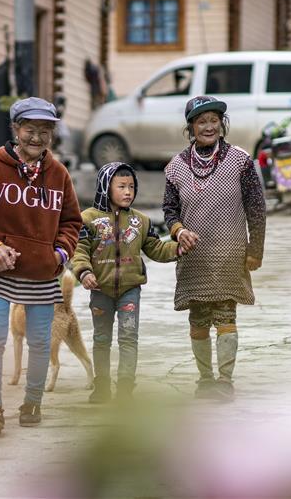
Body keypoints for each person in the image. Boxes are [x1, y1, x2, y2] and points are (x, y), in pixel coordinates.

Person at [0, 97, 82, 435]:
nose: (37, 137)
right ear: (16, 129)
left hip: (41, 273)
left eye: (45, 131)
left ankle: (32, 402)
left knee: (41, 342)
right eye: (30, 129)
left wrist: (59, 254)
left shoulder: (58, 174)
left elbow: (72, 221)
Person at [162, 95, 266, 401]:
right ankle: (204, 379)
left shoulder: (240, 161)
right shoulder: (176, 167)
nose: (208, 127)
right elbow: (169, 210)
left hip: (230, 255)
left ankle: (224, 380)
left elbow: (256, 209)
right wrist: (178, 231)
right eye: (201, 122)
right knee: (197, 321)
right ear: (191, 128)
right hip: (194, 258)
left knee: (225, 317)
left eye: (214, 120)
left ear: (222, 124)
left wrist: (255, 250)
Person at [72, 162, 181, 403]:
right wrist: (84, 272)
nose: (128, 192)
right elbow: (78, 249)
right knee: (101, 339)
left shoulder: (140, 221)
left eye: (131, 186)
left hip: (130, 291)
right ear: (105, 187)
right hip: (100, 290)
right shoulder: (87, 220)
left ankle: (124, 388)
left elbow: (156, 248)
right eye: (121, 186)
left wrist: (179, 247)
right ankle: (101, 387)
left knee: (128, 338)